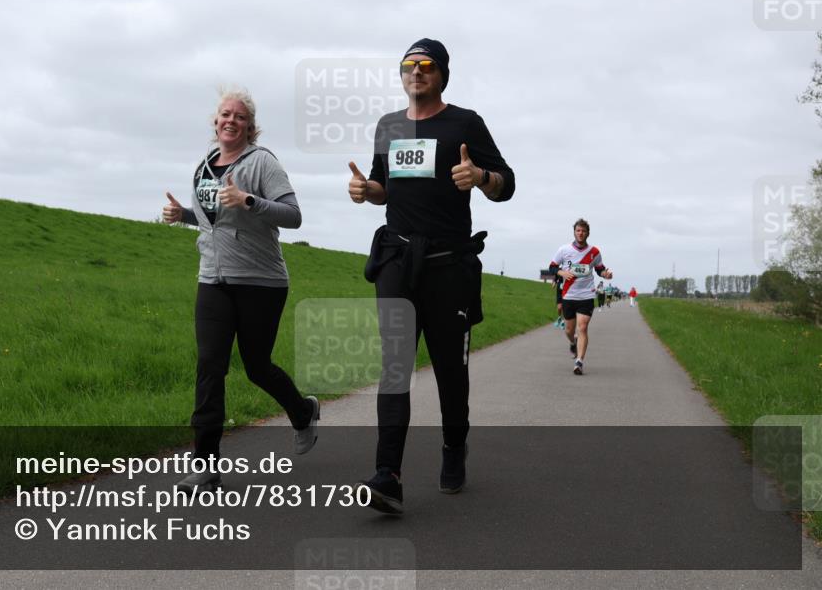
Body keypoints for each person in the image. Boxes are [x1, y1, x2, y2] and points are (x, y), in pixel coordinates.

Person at [347, 38, 515, 514]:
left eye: (425, 65)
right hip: (398, 262)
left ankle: (453, 446)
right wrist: (367, 189)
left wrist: (480, 177)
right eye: (408, 65)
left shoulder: (464, 123)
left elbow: (507, 183)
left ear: (441, 73)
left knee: (449, 370)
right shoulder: (389, 126)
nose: (415, 72)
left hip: (448, 266)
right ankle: (388, 475)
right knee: (395, 367)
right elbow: (383, 186)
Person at [163, 88, 320, 491]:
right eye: (223, 114)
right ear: (215, 123)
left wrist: (249, 200)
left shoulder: (263, 162)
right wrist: (181, 213)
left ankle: (302, 412)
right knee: (209, 365)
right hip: (212, 279)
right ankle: (205, 465)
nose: (230, 120)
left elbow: (294, 216)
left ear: (250, 126)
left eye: (238, 116)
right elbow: (212, 220)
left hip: (261, 282)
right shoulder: (203, 167)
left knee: (256, 367)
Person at [549, 219, 613, 375]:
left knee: (582, 327)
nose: (580, 233)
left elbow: (599, 269)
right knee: (569, 330)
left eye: (583, 231)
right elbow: (552, 267)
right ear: (574, 232)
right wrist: (561, 272)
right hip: (568, 295)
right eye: (578, 230)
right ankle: (573, 342)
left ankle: (579, 362)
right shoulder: (563, 250)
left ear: (588, 233)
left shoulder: (594, 252)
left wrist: (606, 274)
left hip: (586, 295)